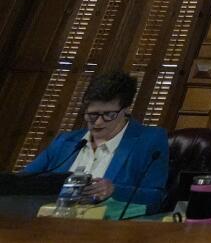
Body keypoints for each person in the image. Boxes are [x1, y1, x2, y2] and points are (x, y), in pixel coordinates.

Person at [21, 70, 169, 215]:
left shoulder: (149, 140)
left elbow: (156, 199)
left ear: (126, 110)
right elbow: (22, 182)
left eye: (109, 115)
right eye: (92, 115)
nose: (98, 122)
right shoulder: (65, 141)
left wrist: (114, 191)